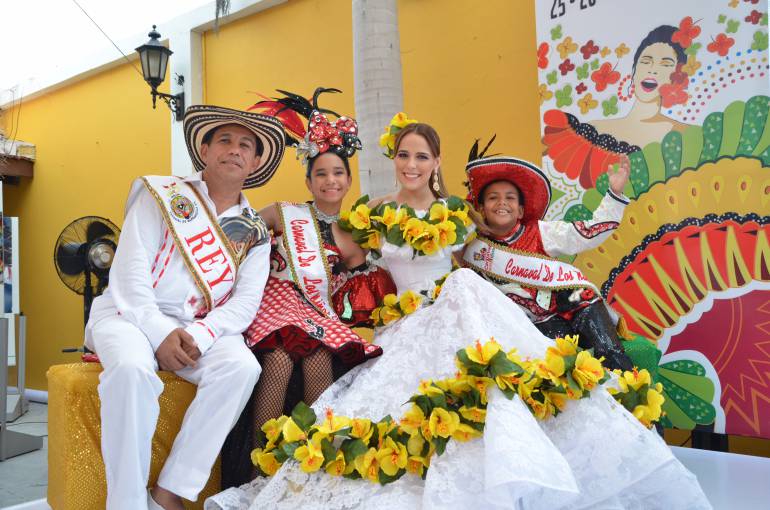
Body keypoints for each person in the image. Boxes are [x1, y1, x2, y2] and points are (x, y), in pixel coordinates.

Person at [206, 115, 709, 510]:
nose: (411, 163)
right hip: (405, 326)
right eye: (403, 154)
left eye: (421, 156)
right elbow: (333, 250)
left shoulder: (459, 214)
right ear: (394, 158)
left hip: (459, 313)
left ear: (435, 160)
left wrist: (608, 200)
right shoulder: (374, 213)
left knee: (488, 391)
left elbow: (511, 241)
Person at [85, 105, 286, 510]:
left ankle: (169, 491)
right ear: (205, 150)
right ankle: (125, 504)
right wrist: (160, 334)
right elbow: (129, 274)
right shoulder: (161, 193)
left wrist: (198, 334)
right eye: (225, 141)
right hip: (129, 315)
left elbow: (244, 304)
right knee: (130, 371)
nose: (234, 150)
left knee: (242, 367)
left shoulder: (256, 232)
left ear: (256, 161)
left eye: (246, 145)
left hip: (197, 329)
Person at [220, 89, 395, 488]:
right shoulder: (283, 213)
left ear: (349, 180)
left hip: (317, 317)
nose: (330, 180)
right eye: (321, 174)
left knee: (318, 364)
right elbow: (232, 238)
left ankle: (314, 465)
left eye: (338, 173)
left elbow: (355, 294)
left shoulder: (353, 236)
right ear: (308, 180)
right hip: (275, 307)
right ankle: (260, 469)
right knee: (279, 361)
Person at [461, 140, 633, 370]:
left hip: (567, 308)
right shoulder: (475, 252)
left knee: (583, 297)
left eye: (510, 197)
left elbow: (589, 232)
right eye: (493, 197)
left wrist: (615, 193)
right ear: (481, 208)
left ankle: (623, 377)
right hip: (528, 328)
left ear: (521, 210)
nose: (502, 202)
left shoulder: (542, 232)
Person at [543, 24, 690, 189]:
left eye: (666, 64)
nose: (653, 70)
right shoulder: (592, 130)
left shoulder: (685, 135)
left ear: (676, 77)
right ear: (634, 70)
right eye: (646, 61)